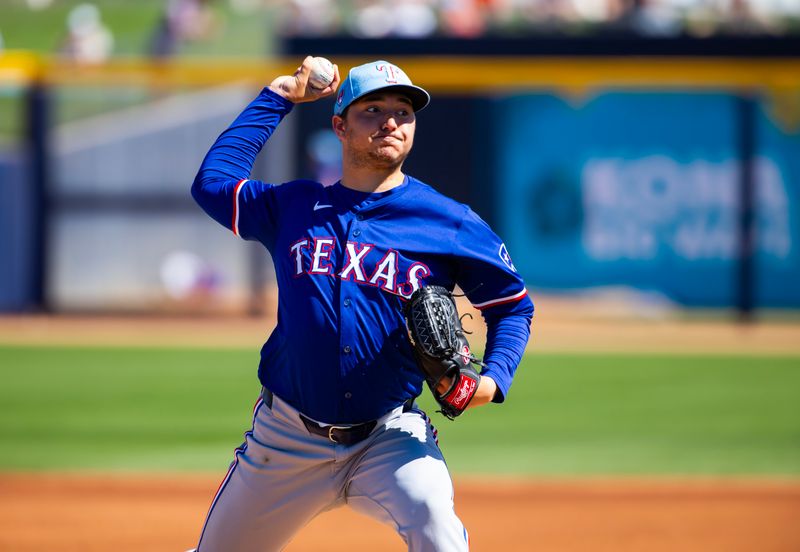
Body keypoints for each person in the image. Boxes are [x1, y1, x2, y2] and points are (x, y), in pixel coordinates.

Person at [189, 57, 534, 551]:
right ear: (340, 126)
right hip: (285, 437)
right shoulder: (293, 208)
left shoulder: (448, 222)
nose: (391, 121)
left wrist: (494, 378)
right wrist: (280, 95)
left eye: (403, 111)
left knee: (437, 529)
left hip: (389, 437)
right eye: (372, 110)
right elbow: (212, 184)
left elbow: (512, 307)